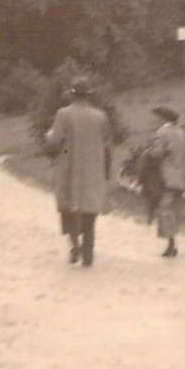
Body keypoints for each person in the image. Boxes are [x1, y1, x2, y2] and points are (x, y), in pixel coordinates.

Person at [44, 79, 114, 267]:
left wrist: (48, 137)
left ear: (72, 95)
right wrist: (107, 171)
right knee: (90, 211)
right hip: (93, 169)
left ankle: (75, 245)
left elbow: (54, 141)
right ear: (89, 96)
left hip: (69, 168)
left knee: (68, 208)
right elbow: (107, 145)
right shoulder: (100, 116)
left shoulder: (63, 114)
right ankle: (88, 251)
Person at [144, 105, 185, 258]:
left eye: (156, 117)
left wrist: (148, 152)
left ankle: (171, 244)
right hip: (180, 177)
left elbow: (157, 154)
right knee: (174, 209)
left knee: (165, 210)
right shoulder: (181, 132)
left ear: (162, 118)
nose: (153, 120)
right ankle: (172, 242)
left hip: (166, 177)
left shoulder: (162, 133)